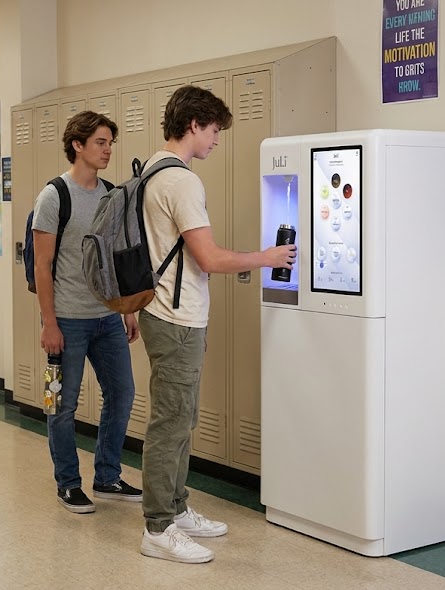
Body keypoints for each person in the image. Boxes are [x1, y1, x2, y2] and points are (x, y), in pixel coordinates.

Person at [136, 86, 295, 563]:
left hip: (168, 313)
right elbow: (206, 256)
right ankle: (158, 527)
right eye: (214, 130)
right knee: (171, 420)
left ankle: (176, 508)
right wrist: (265, 258)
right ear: (193, 125)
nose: (218, 141)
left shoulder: (150, 170)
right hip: (175, 316)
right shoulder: (181, 181)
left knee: (182, 416)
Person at [33, 111, 142, 514]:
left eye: (110, 142)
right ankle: (67, 482)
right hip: (66, 320)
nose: (108, 149)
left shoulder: (112, 193)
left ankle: (107, 475)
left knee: (123, 393)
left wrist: (126, 309)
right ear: (77, 145)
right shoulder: (53, 196)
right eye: (100, 142)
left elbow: (115, 259)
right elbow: (42, 265)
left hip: (108, 317)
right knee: (59, 403)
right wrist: (49, 322)